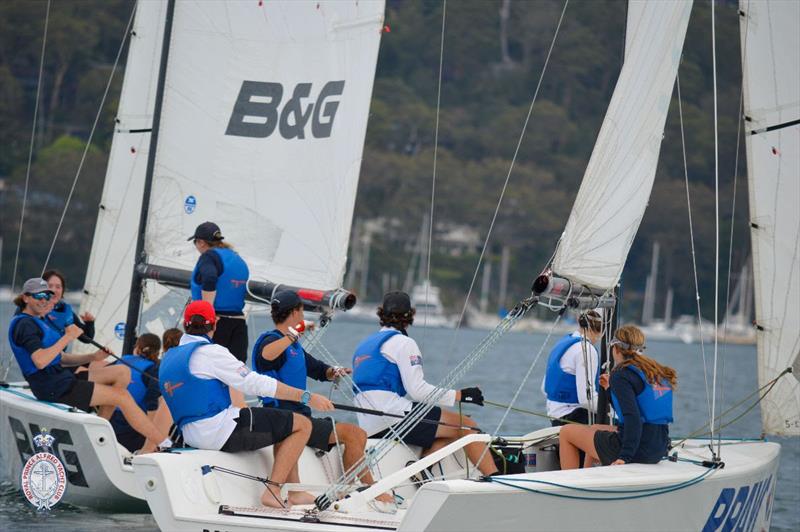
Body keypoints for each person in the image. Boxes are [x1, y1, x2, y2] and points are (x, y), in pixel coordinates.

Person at [159, 300, 335, 508]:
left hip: (191, 436)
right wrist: (307, 397)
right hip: (221, 432)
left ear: (185, 325)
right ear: (214, 324)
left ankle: (294, 491)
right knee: (302, 424)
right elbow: (253, 383)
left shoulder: (168, 358)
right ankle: (275, 490)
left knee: (281, 421)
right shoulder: (211, 352)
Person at [252, 290, 393, 505]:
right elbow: (265, 356)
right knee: (354, 434)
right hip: (285, 419)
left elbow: (317, 369)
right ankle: (370, 491)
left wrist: (332, 372)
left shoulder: (294, 349)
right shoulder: (271, 341)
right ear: (294, 312)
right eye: (301, 311)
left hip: (301, 419)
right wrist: (294, 333)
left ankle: (339, 491)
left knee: (356, 434)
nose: (302, 316)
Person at [8, 278, 171, 449]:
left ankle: (99, 429)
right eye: (38, 296)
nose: (44, 300)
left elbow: (60, 358)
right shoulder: (25, 325)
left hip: (60, 378)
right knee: (121, 397)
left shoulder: (36, 320)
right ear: (26, 298)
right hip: (53, 387)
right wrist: (68, 337)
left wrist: (93, 356)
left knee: (122, 372)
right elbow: (40, 361)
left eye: (46, 296)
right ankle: (163, 442)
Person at [351, 290, 498, 476]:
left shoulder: (364, 344)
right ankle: (495, 479)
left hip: (368, 422)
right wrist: (461, 395)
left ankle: (421, 471)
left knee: (450, 429)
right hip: (392, 415)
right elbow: (417, 390)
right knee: (468, 426)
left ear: (381, 314)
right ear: (410, 315)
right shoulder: (404, 343)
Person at [558, 325, 676, 470]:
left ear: (616, 349)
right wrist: (609, 390)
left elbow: (632, 417)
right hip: (657, 449)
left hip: (635, 450)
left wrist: (624, 457)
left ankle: (571, 485)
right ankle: (588, 476)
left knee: (566, 432)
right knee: (595, 428)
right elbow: (633, 410)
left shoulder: (621, 375)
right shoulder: (654, 372)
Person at [188, 222, 249, 408]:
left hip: (216, 324)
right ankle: (240, 417)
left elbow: (209, 278)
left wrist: (208, 312)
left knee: (207, 371)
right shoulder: (236, 257)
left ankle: (208, 416)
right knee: (234, 374)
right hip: (238, 324)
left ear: (201, 242)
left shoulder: (209, 258)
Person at [541, 310, 604, 426]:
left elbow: (544, 389)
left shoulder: (562, 343)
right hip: (573, 418)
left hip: (555, 415)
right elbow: (586, 400)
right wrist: (613, 411)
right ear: (599, 331)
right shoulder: (586, 350)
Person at [109, 333, 163, 452]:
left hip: (111, 420)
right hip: (135, 425)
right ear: (157, 351)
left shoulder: (123, 360)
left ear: (137, 347)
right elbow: (151, 400)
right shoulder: (154, 369)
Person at [42, 269, 96, 347]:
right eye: (49, 286)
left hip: (60, 357)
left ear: (62, 291)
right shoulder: (32, 309)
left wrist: (89, 323)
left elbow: (87, 338)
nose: (54, 290)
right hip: (38, 357)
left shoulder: (65, 312)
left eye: (58, 287)